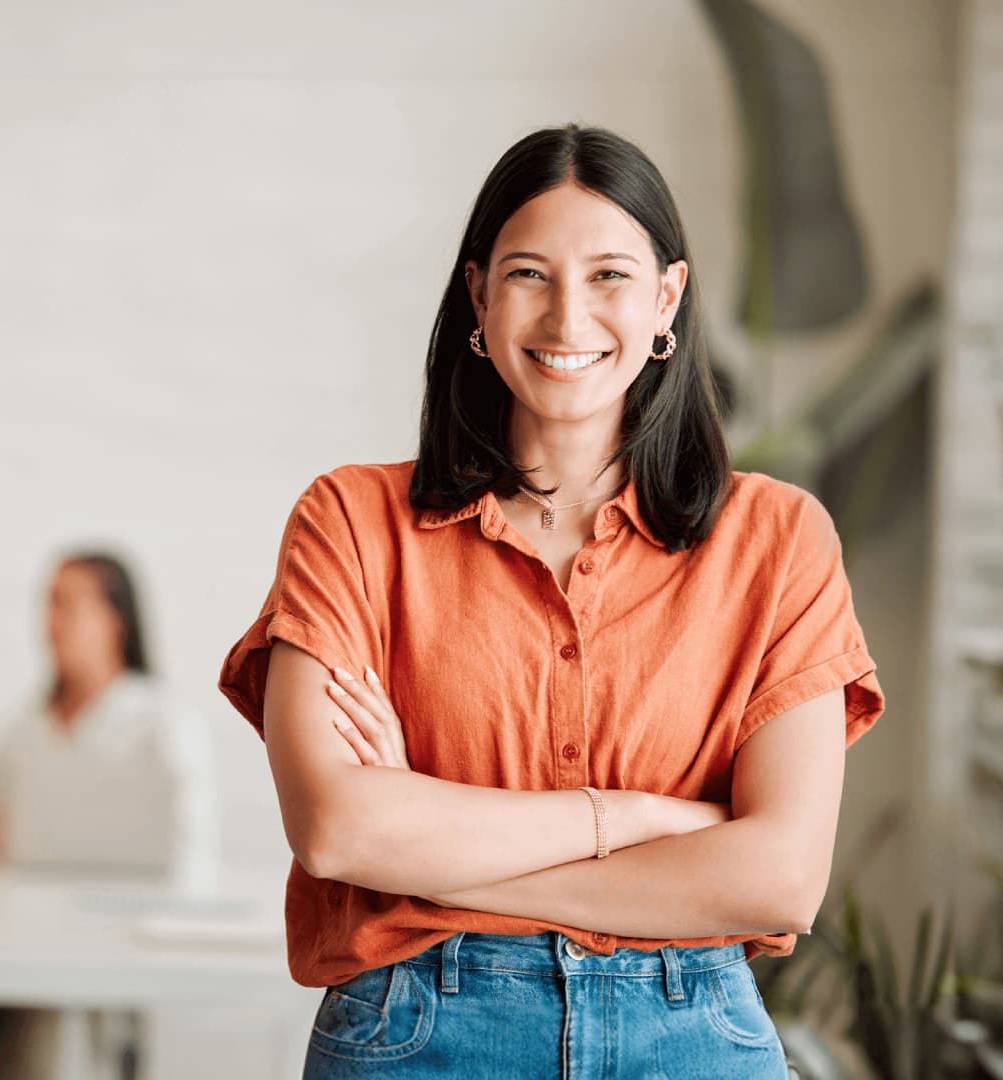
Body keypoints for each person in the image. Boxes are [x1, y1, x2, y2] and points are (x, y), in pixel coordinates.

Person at [219, 125, 884, 1078]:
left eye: (610, 274)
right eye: (530, 273)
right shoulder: (352, 521)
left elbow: (779, 878)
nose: (568, 318)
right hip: (421, 1033)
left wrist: (432, 838)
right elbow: (339, 830)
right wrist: (643, 820)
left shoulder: (779, 540)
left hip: (690, 1037)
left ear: (668, 298)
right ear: (479, 298)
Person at [0, 552, 216, 888]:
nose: (51, 623)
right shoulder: (18, 731)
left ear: (116, 621)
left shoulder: (166, 725)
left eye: (67, 604)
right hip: (24, 924)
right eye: (48, 605)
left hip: (135, 924)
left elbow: (191, 856)